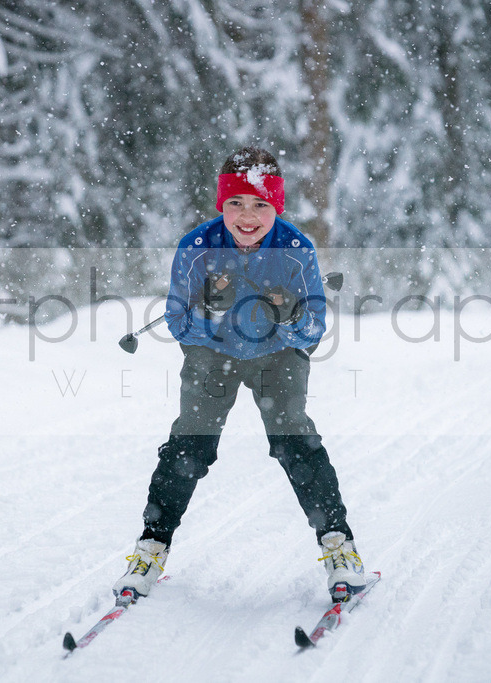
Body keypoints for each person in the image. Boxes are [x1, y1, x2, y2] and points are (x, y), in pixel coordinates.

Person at [113, 146, 365, 603]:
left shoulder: (295, 250)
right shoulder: (197, 247)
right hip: (213, 355)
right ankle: (152, 545)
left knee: (294, 440)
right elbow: (176, 321)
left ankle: (338, 545)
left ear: (277, 207)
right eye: (236, 204)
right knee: (190, 443)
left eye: (260, 205)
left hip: (276, 357)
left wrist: (288, 317)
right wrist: (209, 311)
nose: (246, 217)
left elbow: (314, 329)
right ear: (221, 205)